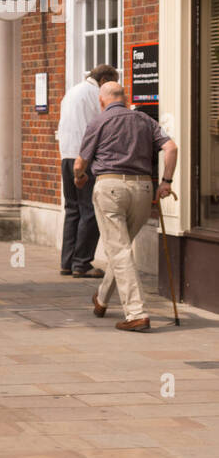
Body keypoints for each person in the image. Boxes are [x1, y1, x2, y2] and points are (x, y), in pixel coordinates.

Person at [74, 81, 178, 332]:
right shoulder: (143, 119)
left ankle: (137, 313)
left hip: (110, 187)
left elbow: (79, 164)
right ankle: (101, 299)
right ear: (124, 97)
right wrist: (165, 182)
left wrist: (79, 178)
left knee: (119, 251)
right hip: (143, 189)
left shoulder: (99, 122)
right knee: (121, 249)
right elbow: (171, 147)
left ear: (102, 101)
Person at [56, 64, 119, 278]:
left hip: (66, 155)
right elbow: (104, 125)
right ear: (103, 81)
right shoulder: (96, 95)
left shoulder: (72, 92)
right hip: (84, 157)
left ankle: (67, 262)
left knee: (72, 209)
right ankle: (82, 263)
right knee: (90, 210)